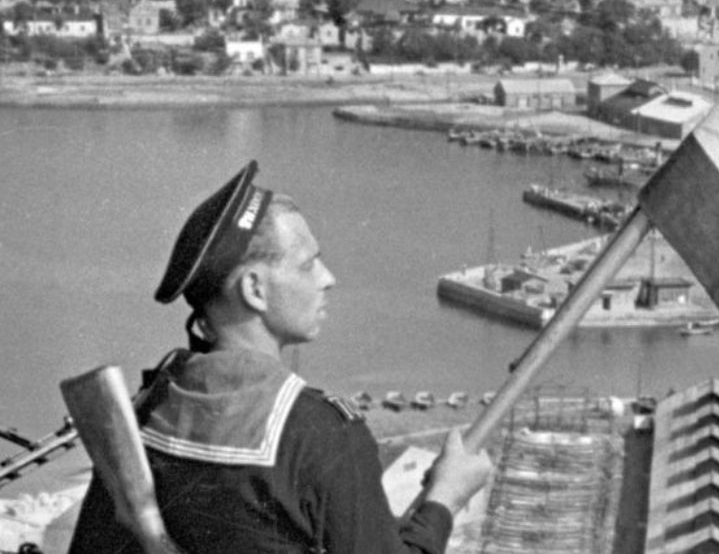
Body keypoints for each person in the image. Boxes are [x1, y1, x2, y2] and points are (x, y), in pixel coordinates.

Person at [69, 161, 493, 553]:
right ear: (255, 289)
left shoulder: (145, 410)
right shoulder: (323, 435)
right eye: (309, 264)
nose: (328, 279)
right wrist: (444, 500)